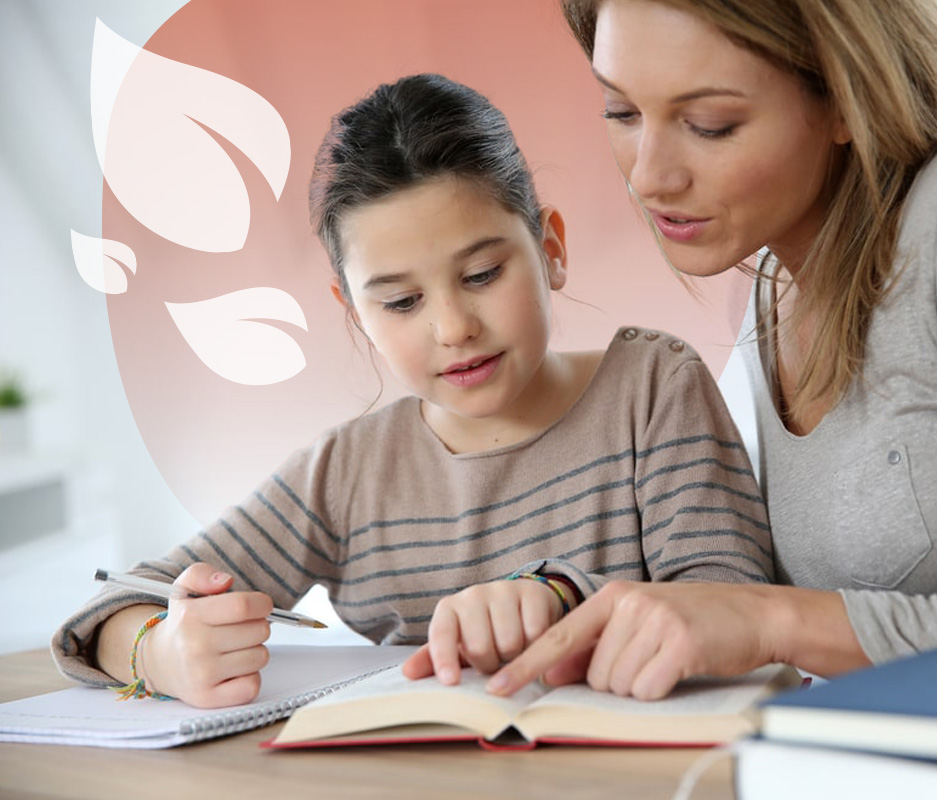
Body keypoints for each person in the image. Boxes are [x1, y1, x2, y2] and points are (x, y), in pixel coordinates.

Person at [484, 0, 937, 702]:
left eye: (710, 125)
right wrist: (557, 597)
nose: (649, 176)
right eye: (621, 112)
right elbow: (726, 600)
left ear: (843, 97)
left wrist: (781, 622)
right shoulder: (772, 281)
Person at [51, 73, 773, 708]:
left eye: (483, 274)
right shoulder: (349, 471)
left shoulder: (652, 391)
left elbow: (739, 610)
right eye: (400, 303)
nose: (454, 327)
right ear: (352, 311)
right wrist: (162, 652)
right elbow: (115, 606)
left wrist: (560, 596)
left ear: (550, 249)